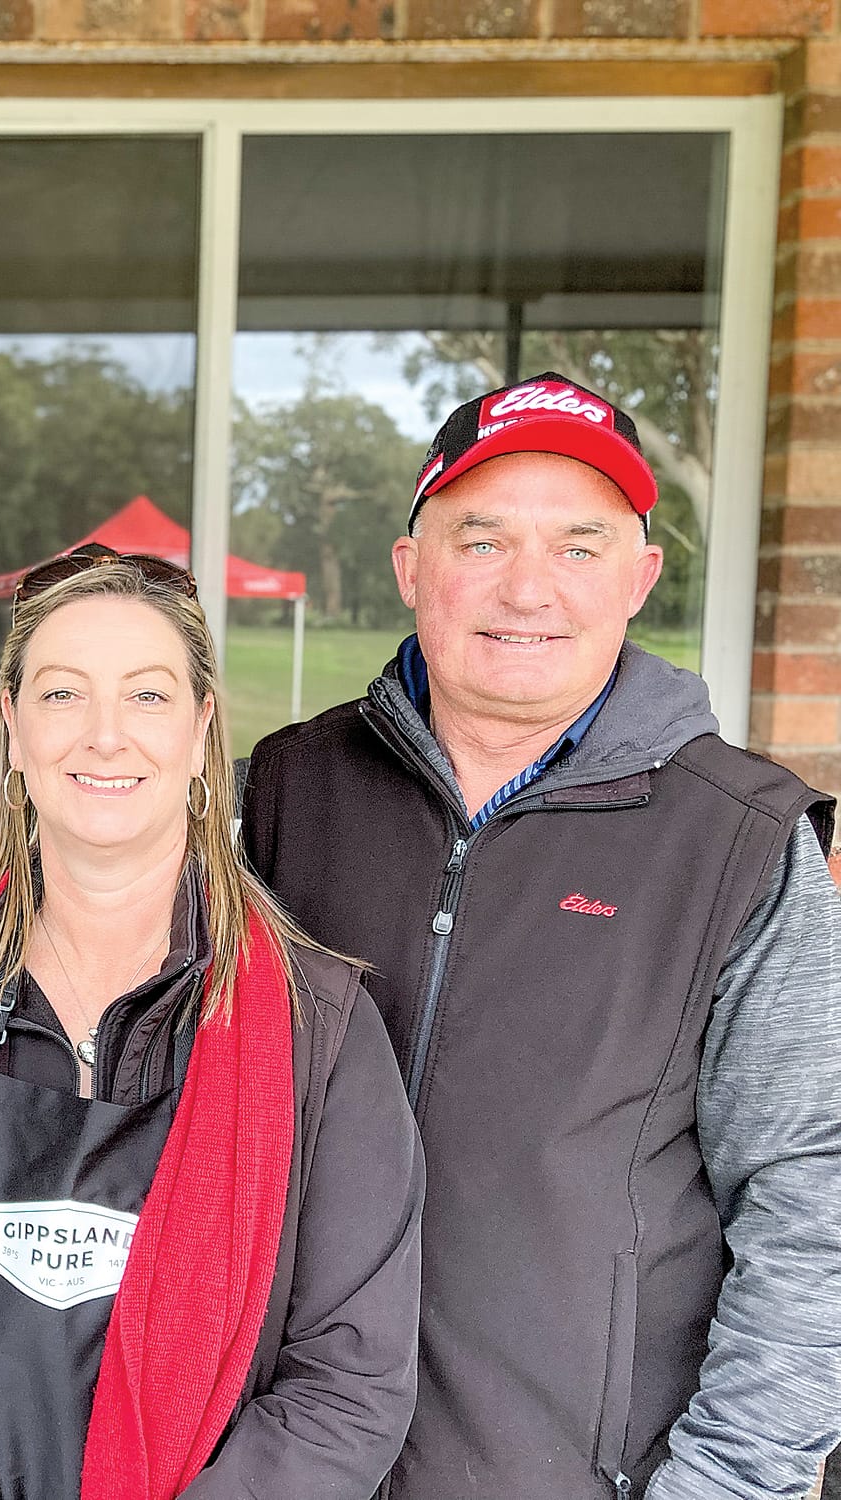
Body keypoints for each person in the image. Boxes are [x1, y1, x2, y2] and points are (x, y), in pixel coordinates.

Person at [240, 373, 841, 1500]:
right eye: (480, 539)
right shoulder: (281, 795)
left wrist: (723, 1484)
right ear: (409, 566)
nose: (526, 589)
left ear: (639, 577)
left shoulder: (740, 839)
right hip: (284, 1469)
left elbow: (811, 1205)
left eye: (576, 546)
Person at [0, 545, 425, 1500]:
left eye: (149, 696)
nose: (105, 736)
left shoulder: (320, 1030)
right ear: (16, 726)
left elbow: (351, 1382)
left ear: (204, 728)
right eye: (64, 694)